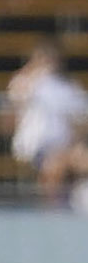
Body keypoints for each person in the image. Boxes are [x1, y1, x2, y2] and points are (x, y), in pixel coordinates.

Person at [7, 39, 88, 204]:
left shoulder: (68, 87)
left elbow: (81, 119)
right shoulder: (25, 83)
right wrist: (32, 73)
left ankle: (79, 202)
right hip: (35, 148)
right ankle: (51, 210)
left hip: (65, 146)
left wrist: (76, 140)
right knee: (55, 165)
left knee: (81, 159)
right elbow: (15, 100)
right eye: (42, 59)